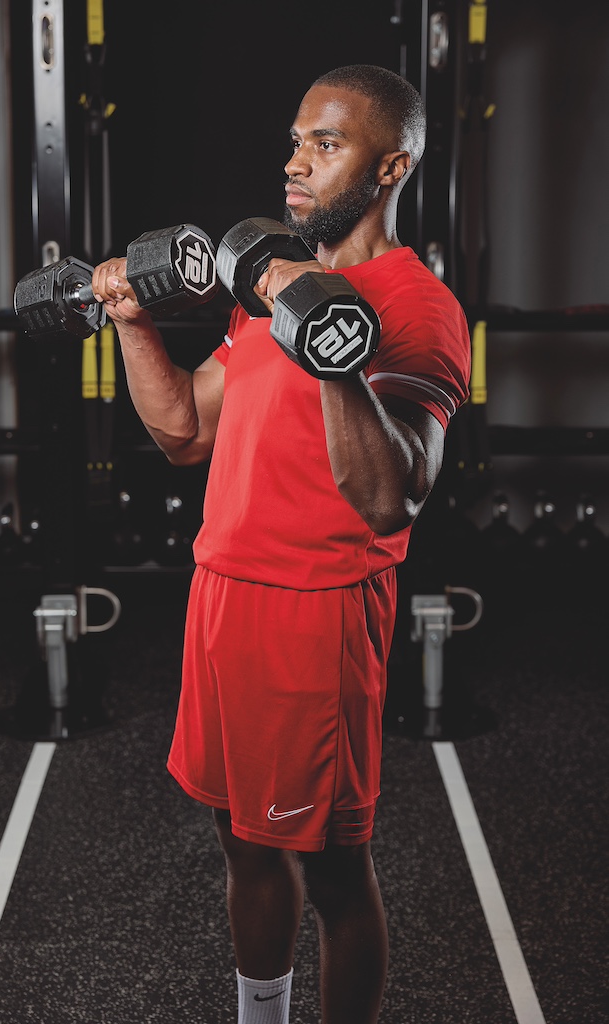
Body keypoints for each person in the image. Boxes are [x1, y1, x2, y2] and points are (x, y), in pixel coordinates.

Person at [92, 64, 471, 1024]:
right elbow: (183, 431)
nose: (295, 163)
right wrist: (132, 325)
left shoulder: (419, 310)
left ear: (390, 166)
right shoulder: (268, 284)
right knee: (241, 844)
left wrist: (330, 343)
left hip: (318, 617)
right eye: (296, 140)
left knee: (333, 869)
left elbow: (390, 498)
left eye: (325, 145)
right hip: (222, 598)